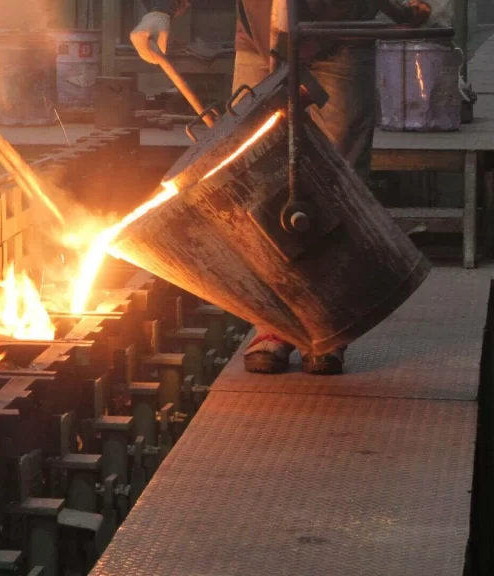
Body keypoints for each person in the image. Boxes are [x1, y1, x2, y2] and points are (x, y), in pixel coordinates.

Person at [130, 0, 431, 375]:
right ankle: (275, 326)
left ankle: (329, 328)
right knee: (246, 182)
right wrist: (161, 10)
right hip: (260, 41)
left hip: (340, 37)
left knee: (338, 182)